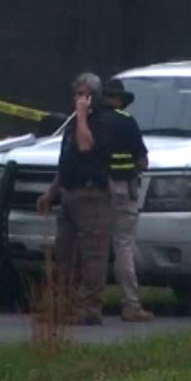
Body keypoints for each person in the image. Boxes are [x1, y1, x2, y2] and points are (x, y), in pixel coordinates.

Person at [37, 72, 114, 326]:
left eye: (85, 95)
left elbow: (85, 146)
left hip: (93, 195)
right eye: (77, 94)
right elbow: (66, 162)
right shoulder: (72, 124)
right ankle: (65, 304)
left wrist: (82, 115)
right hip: (69, 194)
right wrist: (51, 192)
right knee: (65, 252)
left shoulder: (102, 121)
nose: (79, 99)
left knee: (93, 254)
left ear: (95, 97)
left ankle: (90, 307)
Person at [101, 79, 154, 322]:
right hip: (123, 189)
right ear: (121, 100)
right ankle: (131, 304)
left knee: (93, 246)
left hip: (93, 191)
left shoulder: (91, 121)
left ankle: (86, 300)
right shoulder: (127, 122)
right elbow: (143, 161)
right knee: (123, 245)